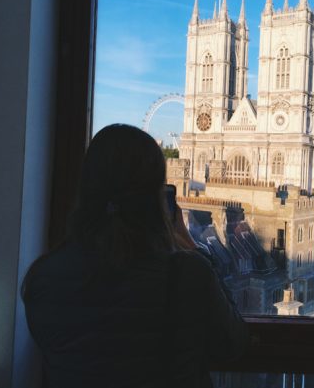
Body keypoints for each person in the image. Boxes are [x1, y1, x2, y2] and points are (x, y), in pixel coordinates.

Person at [22, 124, 248, 388]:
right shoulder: (187, 273)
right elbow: (232, 345)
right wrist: (191, 247)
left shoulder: (44, 275)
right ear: (156, 198)